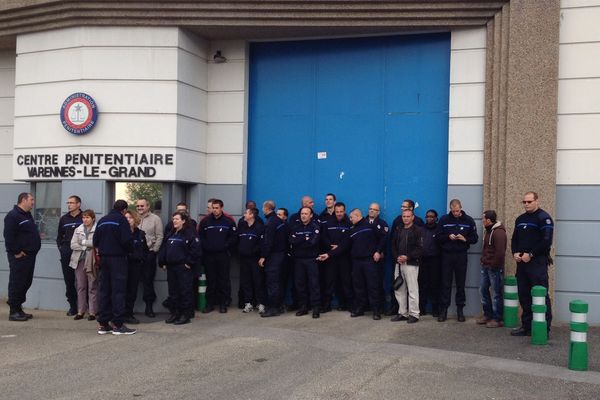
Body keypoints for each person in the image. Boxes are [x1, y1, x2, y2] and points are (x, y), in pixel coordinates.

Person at [510, 192, 554, 337]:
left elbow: (546, 241)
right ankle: (526, 326)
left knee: (540, 295)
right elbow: (514, 239)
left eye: (529, 201)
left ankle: (544, 328)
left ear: (537, 201)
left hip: (537, 262)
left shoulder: (544, 218)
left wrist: (531, 254)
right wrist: (515, 253)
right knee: (524, 295)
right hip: (522, 263)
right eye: (524, 202)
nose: (526, 204)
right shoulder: (520, 219)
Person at [93, 200, 135, 335]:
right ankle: (118, 324)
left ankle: (103, 324)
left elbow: (95, 241)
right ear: (124, 210)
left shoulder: (102, 220)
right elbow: (127, 240)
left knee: (104, 290)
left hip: (104, 259)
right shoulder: (121, 220)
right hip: (118, 259)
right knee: (118, 291)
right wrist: (130, 250)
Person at [436, 199, 478, 322]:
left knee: (461, 284)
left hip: (461, 255)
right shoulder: (444, 220)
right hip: (447, 255)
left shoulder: (468, 220)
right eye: (453, 211)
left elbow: (475, 238)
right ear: (450, 209)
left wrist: (465, 239)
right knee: (445, 284)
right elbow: (438, 237)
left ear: (461, 208)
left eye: (457, 211)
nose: (455, 213)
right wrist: (447, 237)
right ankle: (443, 311)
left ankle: (460, 310)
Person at [159, 210, 202, 325]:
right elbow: (164, 248)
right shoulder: (171, 233)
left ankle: (185, 315)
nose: (174, 221)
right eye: (173, 219)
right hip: (171, 268)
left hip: (183, 268)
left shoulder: (190, 233)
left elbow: (196, 250)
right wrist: (162, 261)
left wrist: (189, 262)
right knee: (173, 292)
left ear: (183, 221)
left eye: (177, 219)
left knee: (185, 292)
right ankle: (175, 314)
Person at [4, 192, 41, 322]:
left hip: (29, 256)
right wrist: (16, 252)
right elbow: (8, 236)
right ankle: (13, 311)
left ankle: (18, 308)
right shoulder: (13, 216)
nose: (33, 202)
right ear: (23, 200)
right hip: (20, 257)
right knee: (17, 282)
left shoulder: (26, 215)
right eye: (31, 200)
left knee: (26, 282)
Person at [199, 199, 237, 313]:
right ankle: (210, 304)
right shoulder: (205, 221)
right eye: (213, 208)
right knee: (211, 280)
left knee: (223, 280)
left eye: (217, 208)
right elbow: (201, 237)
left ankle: (223, 304)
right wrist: (207, 246)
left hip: (223, 255)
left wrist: (225, 245)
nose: (215, 210)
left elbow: (233, 237)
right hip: (209, 255)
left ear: (221, 208)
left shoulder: (228, 221)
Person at [348, 208, 383, 320]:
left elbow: (383, 238)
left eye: (351, 217)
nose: (350, 219)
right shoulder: (352, 229)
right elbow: (346, 244)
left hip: (369, 261)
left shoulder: (370, 225)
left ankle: (376, 310)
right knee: (358, 286)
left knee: (373, 286)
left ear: (358, 216)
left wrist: (378, 251)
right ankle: (360, 308)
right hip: (356, 262)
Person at [317, 202, 352, 312]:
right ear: (334, 211)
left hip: (344, 258)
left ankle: (348, 305)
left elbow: (348, 241)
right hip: (331, 258)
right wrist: (330, 246)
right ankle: (326, 305)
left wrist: (338, 248)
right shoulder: (328, 223)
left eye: (341, 211)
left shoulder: (349, 223)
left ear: (344, 211)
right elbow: (323, 237)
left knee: (346, 281)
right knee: (329, 281)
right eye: (337, 212)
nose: (339, 214)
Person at [391, 209, 423, 323]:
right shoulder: (398, 229)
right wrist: (397, 257)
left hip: (411, 264)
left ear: (413, 217)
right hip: (399, 263)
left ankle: (414, 314)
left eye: (408, 216)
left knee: (413, 289)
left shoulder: (418, 230)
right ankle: (402, 313)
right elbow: (393, 245)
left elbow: (420, 248)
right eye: (404, 216)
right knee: (399, 289)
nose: (405, 218)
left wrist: (408, 257)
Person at [289, 207, 321, 318]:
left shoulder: (315, 226)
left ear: (311, 215)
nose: (303, 216)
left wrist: (299, 240)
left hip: (312, 260)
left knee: (314, 284)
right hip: (298, 260)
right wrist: (304, 239)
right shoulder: (295, 226)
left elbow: (313, 242)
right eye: (302, 213)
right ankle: (303, 307)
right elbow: (291, 241)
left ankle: (316, 308)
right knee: (300, 284)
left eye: (306, 214)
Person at [478, 210, 507, 328]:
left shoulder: (498, 232)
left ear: (489, 220)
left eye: (483, 219)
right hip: (486, 266)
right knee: (483, 290)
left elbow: (500, 252)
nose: (482, 221)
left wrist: (493, 265)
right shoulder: (488, 231)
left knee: (496, 293)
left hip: (493, 268)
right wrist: (483, 260)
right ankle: (487, 314)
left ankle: (497, 318)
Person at [259, 200, 288, 317]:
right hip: (282, 256)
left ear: (266, 208)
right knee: (279, 282)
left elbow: (268, 242)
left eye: (263, 208)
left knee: (272, 283)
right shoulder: (279, 221)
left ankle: (273, 308)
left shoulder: (270, 222)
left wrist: (263, 256)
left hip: (273, 257)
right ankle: (279, 306)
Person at [136, 198, 164, 318]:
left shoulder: (155, 219)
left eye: (142, 206)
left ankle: (149, 307)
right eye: (138, 206)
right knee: (133, 281)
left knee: (148, 281)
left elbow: (160, 236)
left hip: (149, 254)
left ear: (148, 206)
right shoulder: (133, 218)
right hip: (135, 254)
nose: (140, 208)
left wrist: (154, 251)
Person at [69, 209, 99, 321]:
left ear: (93, 218)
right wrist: (85, 246)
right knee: (81, 286)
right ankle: (81, 311)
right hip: (79, 261)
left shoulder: (97, 229)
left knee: (93, 286)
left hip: (92, 261)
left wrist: (83, 243)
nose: (85, 220)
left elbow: (96, 243)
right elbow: (72, 245)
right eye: (83, 217)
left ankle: (93, 312)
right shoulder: (78, 229)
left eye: (87, 217)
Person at [56, 195, 83, 316]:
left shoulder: (84, 217)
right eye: (68, 203)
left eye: (72, 202)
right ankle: (73, 306)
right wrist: (62, 249)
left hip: (81, 251)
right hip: (67, 251)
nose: (69, 205)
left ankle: (85, 307)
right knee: (69, 280)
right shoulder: (64, 219)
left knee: (83, 281)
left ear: (78, 204)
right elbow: (59, 237)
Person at [237, 207, 266, 314]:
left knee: (258, 281)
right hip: (244, 259)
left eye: (246, 213)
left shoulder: (259, 228)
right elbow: (238, 241)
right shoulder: (242, 227)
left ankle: (260, 303)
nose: (244, 215)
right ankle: (248, 303)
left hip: (255, 260)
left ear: (251, 215)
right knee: (246, 282)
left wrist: (261, 256)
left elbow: (262, 244)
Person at [124, 210, 149, 324]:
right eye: (126, 217)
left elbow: (145, 250)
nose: (128, 219)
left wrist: (142, 258)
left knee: (132, 291)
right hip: (123, 265)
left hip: (136, 266)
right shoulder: (121, 233)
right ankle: (120, 314)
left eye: (130, 217)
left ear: (135, 219)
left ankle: (129, 314)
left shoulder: (140, 234)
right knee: (121, 291)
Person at [366, 202, 388, 315]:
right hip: (365, 259)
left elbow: (383, 240)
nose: (371, 211)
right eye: (370, 209)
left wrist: (379, 252)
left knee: (377, 284)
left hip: (377, 258)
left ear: (378, 212)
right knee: (365, 283)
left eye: (374, 209)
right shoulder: (363, 222)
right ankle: (366, 306)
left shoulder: (382, 223)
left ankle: (380, 308)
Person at [420, 209, 442, 317]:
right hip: (423, 261)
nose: (429, 218)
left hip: (435, 261)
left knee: (435, 285)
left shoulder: (439, 229)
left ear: (436, 218)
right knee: (423, 285)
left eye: (432, 216)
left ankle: (435, 309)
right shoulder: (421, 229)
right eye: (427, 216)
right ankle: (421, 308)